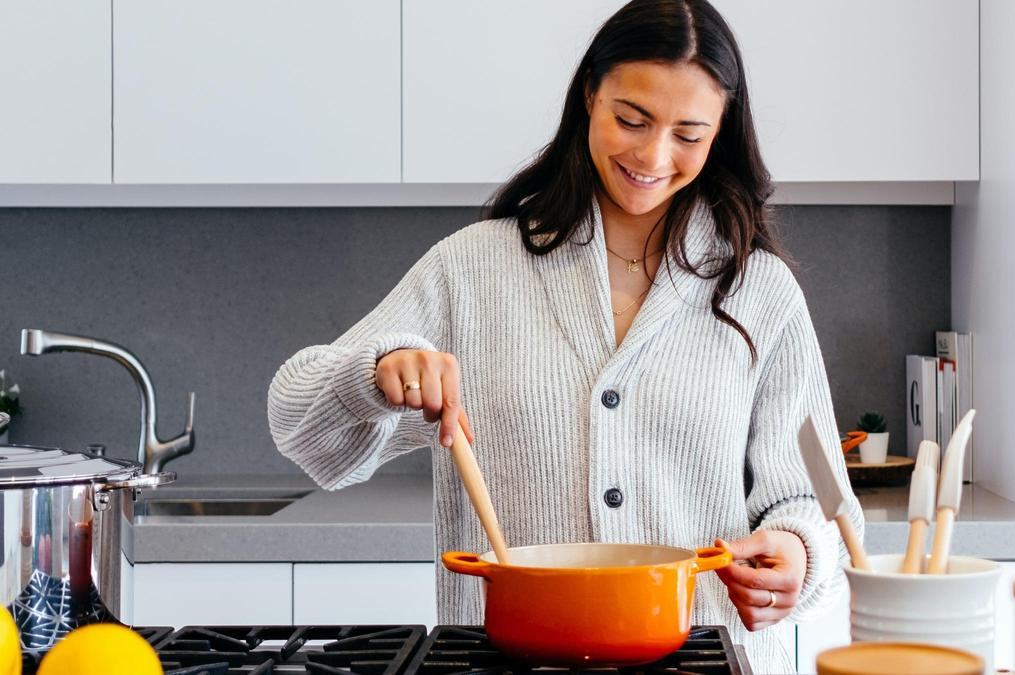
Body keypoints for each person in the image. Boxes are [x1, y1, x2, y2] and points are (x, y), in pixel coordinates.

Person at [267, 1, 864, 671]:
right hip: (505, 660)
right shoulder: (473, 268)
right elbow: (298, 423)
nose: (652, 154)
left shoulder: (760, 290)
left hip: (704, 655)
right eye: (631, 119)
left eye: (688, 134)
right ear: (589, 95)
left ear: (721, 133)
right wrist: (376, 374)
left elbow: (812, 498)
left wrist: (795, 551)